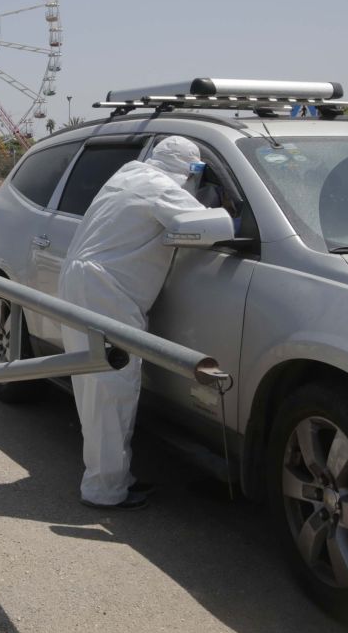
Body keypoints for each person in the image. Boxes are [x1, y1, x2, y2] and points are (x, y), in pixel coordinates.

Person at [58, 136, 229, 510]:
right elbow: (214, 227)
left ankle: (110, 478)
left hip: (85, 283)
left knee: (95, 389)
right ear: (189, 171)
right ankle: (104, 489)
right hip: (106, 291)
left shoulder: (129, 174)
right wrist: (214, 200)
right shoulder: (158, 186)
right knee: (111, 389)